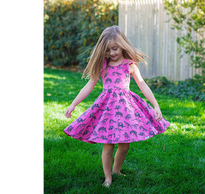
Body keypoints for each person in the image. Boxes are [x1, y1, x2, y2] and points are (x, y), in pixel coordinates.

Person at [63, 25, 170, 188]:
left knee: (124, 146)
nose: (112, 53)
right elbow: (89, 85)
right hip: (107, 110)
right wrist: (73, 104)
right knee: (108, 146)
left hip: (126, 110)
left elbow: (142, 84)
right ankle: (108, 178)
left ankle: (116, 171)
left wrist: (155, 105)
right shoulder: (102, 66)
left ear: (122, 45)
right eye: (107, 50)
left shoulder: (130, 64)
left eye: (115, 49)